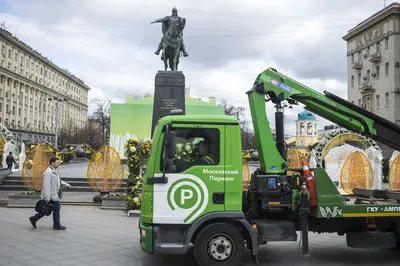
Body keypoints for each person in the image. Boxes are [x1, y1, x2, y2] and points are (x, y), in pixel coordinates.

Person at [29, 157, 71, 230]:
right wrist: (47, 198)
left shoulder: (54, 171)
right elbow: (46, 186)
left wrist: (66, 184)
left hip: (54, 195)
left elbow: (58, 181)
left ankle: (34, 218)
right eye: (57, 162)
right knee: (54, 209)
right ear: (52, 163)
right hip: (51, 196)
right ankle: (56, 225)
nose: (59, 164)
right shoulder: (48, 172)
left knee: (47, 210)